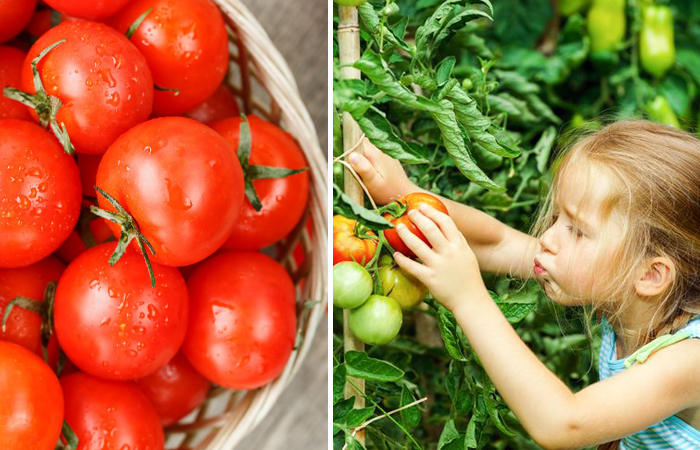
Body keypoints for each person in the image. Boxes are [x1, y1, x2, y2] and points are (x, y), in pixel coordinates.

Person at [347, 120, 700, 449]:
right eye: (558, 217)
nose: (547, 238)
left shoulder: (688, 360)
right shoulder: (625, 287)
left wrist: (469, 298)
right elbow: (496, 243)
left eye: (577, 231)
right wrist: (406, 199)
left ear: (651, 275)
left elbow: (564, 423)